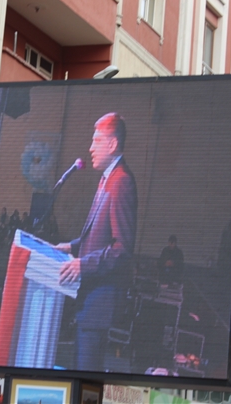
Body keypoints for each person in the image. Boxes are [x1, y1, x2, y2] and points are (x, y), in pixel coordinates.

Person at [57, 112, 137, 371]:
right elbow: (98, 236)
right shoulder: (107, 179)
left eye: (97, 141)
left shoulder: (121, 181)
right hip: (89, 301)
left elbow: (121, 249)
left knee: (84, 377)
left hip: (98, 305)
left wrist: (82, 265)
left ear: (113, 145)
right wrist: (72, 247)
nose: (90, 148)